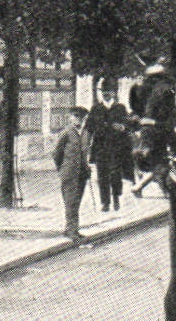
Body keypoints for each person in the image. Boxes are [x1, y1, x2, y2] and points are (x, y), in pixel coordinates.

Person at [88, 79, 134, 212]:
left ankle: (115, 197)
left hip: (117, 148)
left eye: (108, 91)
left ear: (114, 93)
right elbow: (89, 127)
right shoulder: (96, 108)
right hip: (101, 148)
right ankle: (105, 202)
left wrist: (122, 127)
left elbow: (128, 126)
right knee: (102, 175)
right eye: (103, 92)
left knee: (115, 174)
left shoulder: (120, 108)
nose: (105, 94)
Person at [53, 104, 92, 236]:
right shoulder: (66, 133)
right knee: (71, 201)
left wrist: (86, 167)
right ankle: (72, 230)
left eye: (81, 117)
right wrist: (62, 168)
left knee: (77, 201)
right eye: (75, 117)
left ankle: (71, 228)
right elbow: (56, 153)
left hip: (82, 173)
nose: (78, 119)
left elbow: (86, 152)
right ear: (70, 118)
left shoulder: (86, 133)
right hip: (69, 173)